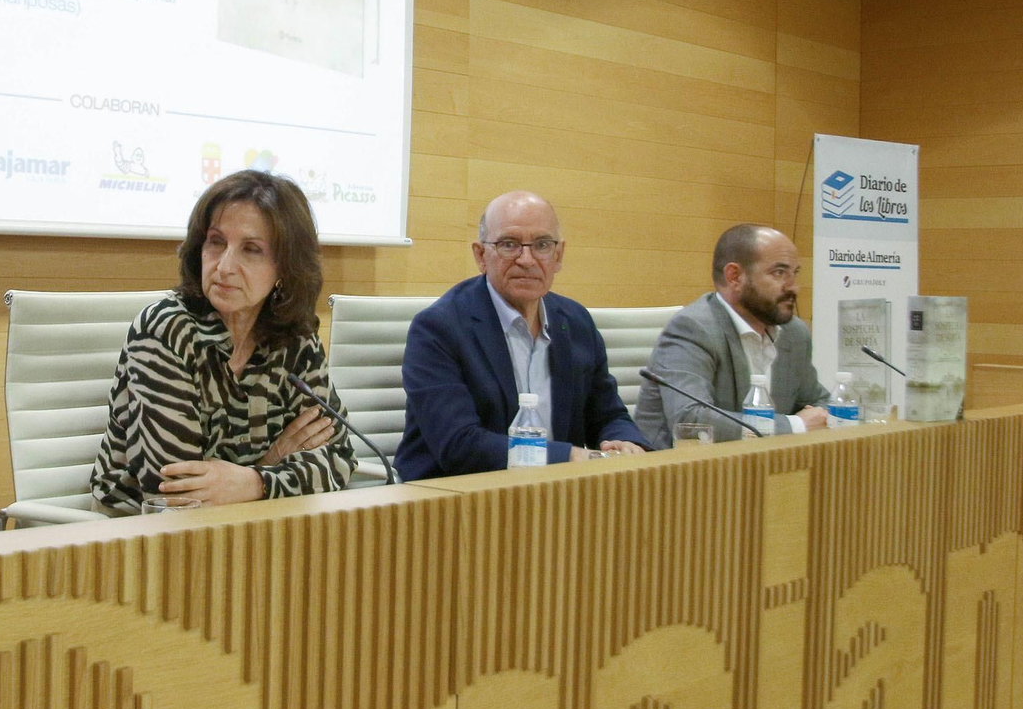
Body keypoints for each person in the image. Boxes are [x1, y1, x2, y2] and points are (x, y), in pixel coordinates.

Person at [90, 169, 355, 512]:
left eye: (251, 249)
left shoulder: (296, 338)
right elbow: (176, 492)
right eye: (216, 242)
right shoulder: (166, 330)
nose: (225, 266)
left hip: (255, 526)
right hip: (139, 534)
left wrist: (253, 481)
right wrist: (272, 461)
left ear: (285, 269)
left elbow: (340, 457)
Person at [396, 191, 650, 479]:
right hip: (455, 502)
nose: (526, 259)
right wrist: (567, 456)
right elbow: (459, 445)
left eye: (542, 245)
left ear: (558, 255)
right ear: (481, 255)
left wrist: (625, 442)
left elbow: (608, 414)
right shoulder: (438, 328)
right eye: (509, 245)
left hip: (555, 496)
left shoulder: (576, 321)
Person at [633, 223, 830, 449]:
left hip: (762, 470)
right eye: (779, 273)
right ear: (734, 276)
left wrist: (822, 416)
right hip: (682, 475)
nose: (794, 287)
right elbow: (692, 420)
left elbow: (818, 403)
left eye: (794, 274)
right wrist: (794, 426)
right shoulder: (692, 328)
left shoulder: (794, 333)